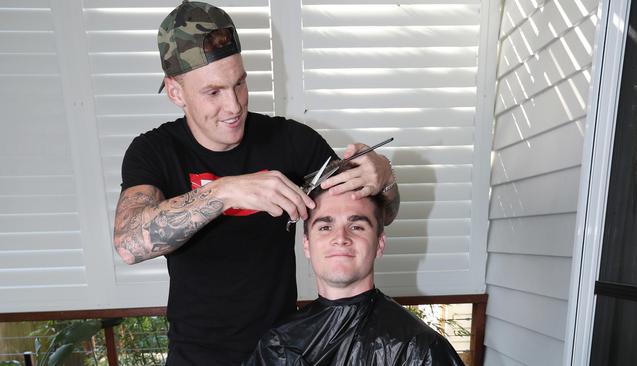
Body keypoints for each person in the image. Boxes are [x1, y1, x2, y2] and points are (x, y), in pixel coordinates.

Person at [112, 1, 399, 365]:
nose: (234, 106)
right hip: (195, 357)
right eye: (213, 92)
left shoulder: (291, 141)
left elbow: (375, 214)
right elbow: (128, 244)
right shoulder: (153, 151)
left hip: (282, 352)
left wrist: (384, 177)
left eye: (240, 83)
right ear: (176, 92)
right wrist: (223, 190)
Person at [244, 188, 463, 365]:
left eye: (356, 226)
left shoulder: (418, 348)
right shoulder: (278, 345)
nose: (341, 238)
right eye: (325, 226)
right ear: (307, 245)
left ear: (379, 244)